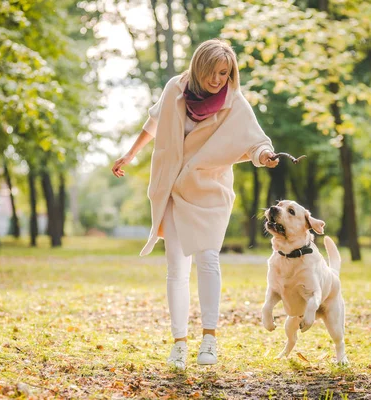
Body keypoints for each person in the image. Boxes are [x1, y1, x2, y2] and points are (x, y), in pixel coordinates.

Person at [112, 39, 278, 370]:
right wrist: (131, 153)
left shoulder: (234, 102)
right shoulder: (176, 88)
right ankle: (178, 344)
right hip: (173, 187)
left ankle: (210, 339)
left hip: (208, 190)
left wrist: (264, 156)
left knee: (208, 260)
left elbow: (256, 139)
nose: (219, 79)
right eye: (214, 72)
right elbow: (154, 122)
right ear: (198, 67)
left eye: (225, 73)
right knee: (176, 267)